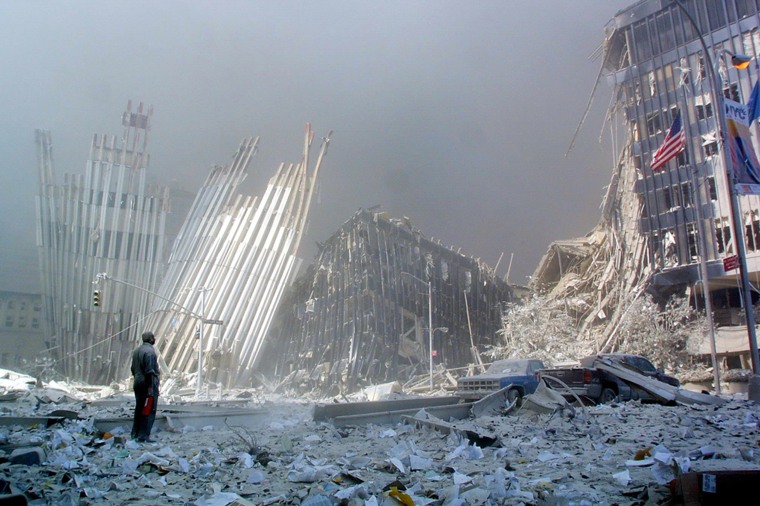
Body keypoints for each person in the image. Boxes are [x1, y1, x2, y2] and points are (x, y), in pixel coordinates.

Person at [131, 331, 160, 442]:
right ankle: (143, 435)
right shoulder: (150, 352)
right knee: (148, 409)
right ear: (151, 339)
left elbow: (133, 369)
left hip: (137, 383)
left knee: (139, 409)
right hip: (148, 384)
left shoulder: (136, 351)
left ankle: (135, 433)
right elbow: (149, 372)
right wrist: (150, 388)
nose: (155, 339)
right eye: (153, 337)